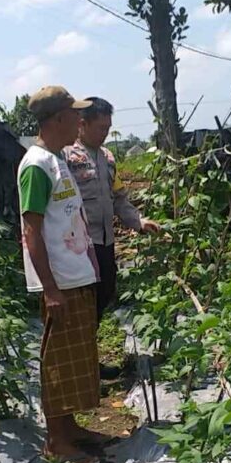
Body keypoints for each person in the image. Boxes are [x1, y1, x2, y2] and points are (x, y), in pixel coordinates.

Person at [18, 85, 111, 463]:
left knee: (76, 358)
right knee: (59, 361)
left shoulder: (56, 160)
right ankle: (57, 441)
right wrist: (51, 289)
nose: (80, 120)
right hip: (60, 283)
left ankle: (70, 428)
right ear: (59, 118)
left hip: (76, 276)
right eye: (75, 114)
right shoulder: (36, 166)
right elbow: (31, 231)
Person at [64, 97, 161, 331]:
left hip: (105, 242)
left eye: (108, 128)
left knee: (105, 291)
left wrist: (139, 221)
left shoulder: (107, 158)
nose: (105, 134)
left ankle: (89, 352)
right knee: (83, 302)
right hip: (80, 245)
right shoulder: (66, 157)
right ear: (82, 124)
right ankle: (85, 358)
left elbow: (119, 199)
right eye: (100, 128)